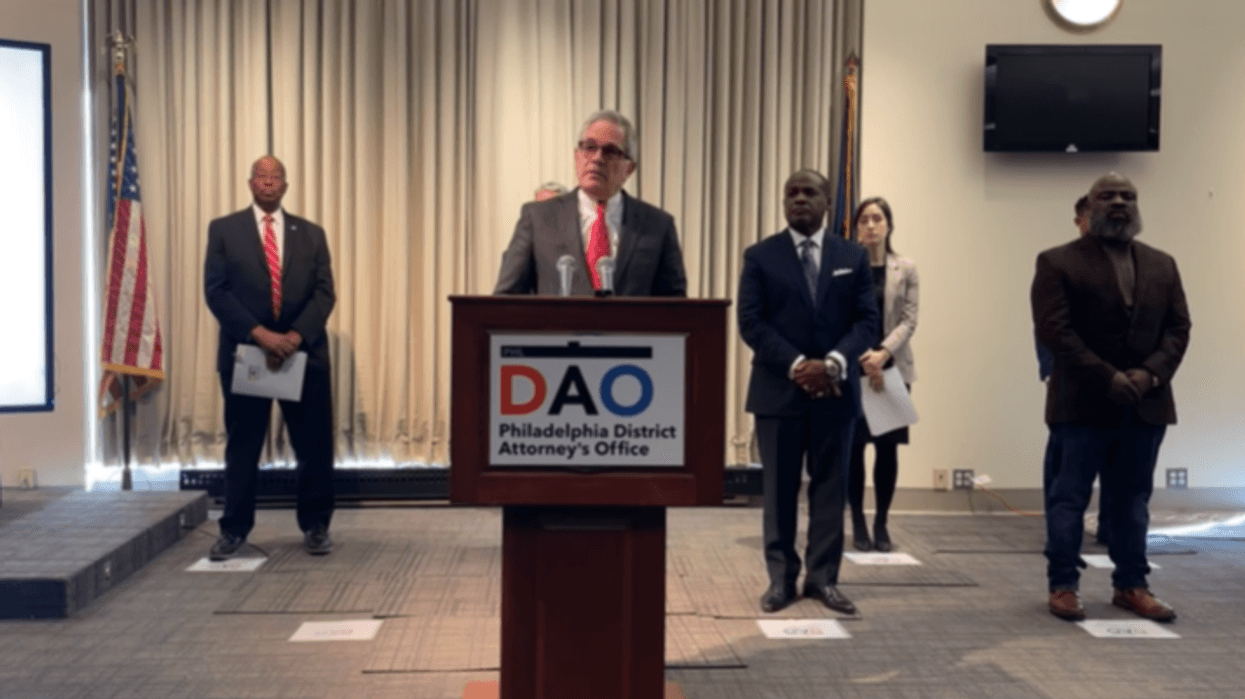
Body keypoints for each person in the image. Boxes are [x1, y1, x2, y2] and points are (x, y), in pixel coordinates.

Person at [1032, 172, 1190, 622]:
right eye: (1109, 195)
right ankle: (1063, 584)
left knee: (1133, 500)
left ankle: (1132, 585)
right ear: (1091, 206)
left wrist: (1150, 375)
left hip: (1145, 404)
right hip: (1081, 404)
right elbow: (1054, 331)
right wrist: (1107, 377)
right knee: (1069, 501)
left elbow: (1179, 329)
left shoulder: (1163, 264)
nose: (1119, 202)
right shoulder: (1057, 262)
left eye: (1128, 195)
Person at [738, 169, 879, 614]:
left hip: (836, 394)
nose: (799, 199)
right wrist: (800, 366)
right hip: (779, 391)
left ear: (827, 202)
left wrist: (833, 364)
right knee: (778, 491)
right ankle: (780, 581)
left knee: (830, 490)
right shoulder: (760, 256)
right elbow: (751, 323)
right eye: (791, 193)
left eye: (809, 192)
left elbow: (867, 322)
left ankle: (823, 580)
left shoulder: (852, 256)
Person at [204, 155, 337, 560]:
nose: (268, 182)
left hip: (303, 355)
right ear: (250, 183)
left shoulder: (311, 234)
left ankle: (315, 526)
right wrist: (259, 334)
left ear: (285, 186)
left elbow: (324, 292)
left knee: (312, 444)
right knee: (243, 445)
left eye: (275, 177)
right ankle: (234, 530)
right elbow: (216, 291)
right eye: (261, 176)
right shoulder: (224, 230)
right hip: (248, 354)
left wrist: (294, 337)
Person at [494, 110, 687, 296]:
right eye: (589, 147)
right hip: (556, 330)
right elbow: (507, 298)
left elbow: (674, 309)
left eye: (610, 151)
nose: (597, 158)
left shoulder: (657, 226)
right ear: (576, 156)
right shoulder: (538, 218)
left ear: (629, 168)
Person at [1038, 195, 1113, 546]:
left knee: (1120, 475)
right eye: (1090, 216)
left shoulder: (1136, 264)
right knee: (1065, 479)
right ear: (1079, 221)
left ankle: (1111, 529)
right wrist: (1049, 370)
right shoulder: (1059, 262)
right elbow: (1049, 327)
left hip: (1120, 389)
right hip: (1072, 387)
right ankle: (1061, 553)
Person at [846, 197, 918, 553]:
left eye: (877, 219)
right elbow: (839, 318)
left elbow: (909, 319)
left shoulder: (905, 267)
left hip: (890, 368)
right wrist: (862, 356)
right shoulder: (844, 266)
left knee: (887, 451)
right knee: (855, 449)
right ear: (856, 226)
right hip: (854, 367)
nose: (871, 226)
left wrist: (882, 353)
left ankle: (881, 523)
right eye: (864, 219)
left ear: (888, 225)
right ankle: (858, 521)